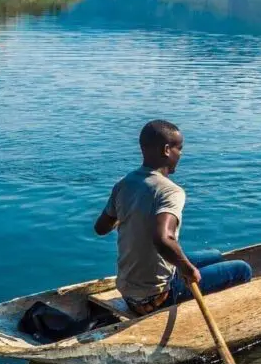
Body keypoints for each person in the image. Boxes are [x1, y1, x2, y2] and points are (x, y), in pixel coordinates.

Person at [94, 120, 252, 316]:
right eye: (180, 148)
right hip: (156, 295)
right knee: (242, 269)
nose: (182, 154)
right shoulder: (170, 191)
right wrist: (187, 269)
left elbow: (101, 228)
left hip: (128, 290)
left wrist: (133, 216)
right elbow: (163, 239)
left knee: (215, 255)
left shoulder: (124, 183)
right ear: (167, 150)